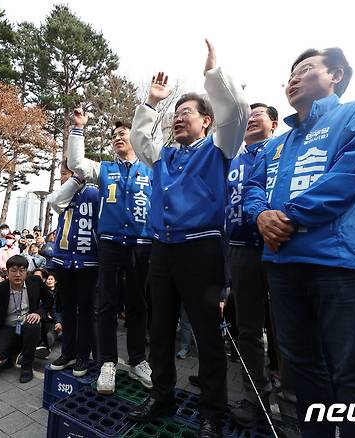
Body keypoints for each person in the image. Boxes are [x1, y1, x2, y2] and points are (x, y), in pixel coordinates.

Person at [243, 47, 355, 438]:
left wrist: (290, 217)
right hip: (282, 265)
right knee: (300, 366)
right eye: (290, 73)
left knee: (353, 370)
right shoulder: (274, 144)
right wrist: (261, 214)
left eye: (306, 69)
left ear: (337, 75)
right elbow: (252, 188)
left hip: (341, 264)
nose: (294, 78)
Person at [127, 40, 249, 437]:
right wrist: (151, 102)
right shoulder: (164, 156)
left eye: (186, 113)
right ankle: (162, 395)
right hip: (163, 250)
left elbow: (236, 112)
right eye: (175, 115)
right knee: (159, 328)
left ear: (207, 122)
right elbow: (141, 138)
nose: (178, 119)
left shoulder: (219, 148)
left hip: (201, 250)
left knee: (206, 334)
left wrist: (213, 75)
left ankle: (212, 410)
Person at [68, 107, 154, 394]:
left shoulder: (151, 167)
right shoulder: (104, 168)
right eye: (114, 135)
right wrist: (78, 128)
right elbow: (76, 162)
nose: (118, 137)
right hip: (109, 244)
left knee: (138, 304)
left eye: (123, 133)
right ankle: (107, 362)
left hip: (141, 245)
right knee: (105, 303)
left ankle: (139, 359)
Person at [225, 103, 279, 425]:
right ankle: (255, 398)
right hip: (240, 251)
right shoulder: (232, 160)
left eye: (258, 114)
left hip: (279, 247)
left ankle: (294, 403)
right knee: (248, 330)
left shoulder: (283, 150)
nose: (251, 119)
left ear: (273, 123)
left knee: (287, 329)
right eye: (248, 115)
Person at [46, 160, 99, 377]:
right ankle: (67, 352)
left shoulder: (94, 194)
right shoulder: (62, 195)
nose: (61, 178)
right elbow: (53, 202)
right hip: (63, 260)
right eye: (60, 174)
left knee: (86, 312)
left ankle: (84, 356)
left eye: (65, 174)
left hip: (88, 261)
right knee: (67, 309)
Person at [0, 255, 52, 383]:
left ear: (27, 271)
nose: (18, 274)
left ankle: (27, 366)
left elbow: (49, 299)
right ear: (7, 273)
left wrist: (38, 312)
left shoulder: (35, 282)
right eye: (13, 270)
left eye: (22, 270)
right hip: (8, 327)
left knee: (33, 324)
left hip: (28, 324)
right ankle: (16, 350)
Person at [37, 271, 61, 358]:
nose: (49, 281)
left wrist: (59, 322)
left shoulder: (59, 293)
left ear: (55, 281)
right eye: (47, 279)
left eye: (51, 279)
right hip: (45, 320)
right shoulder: (42, 292)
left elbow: (56, 310)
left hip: (58, 321)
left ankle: (44, 348)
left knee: (53, 332)